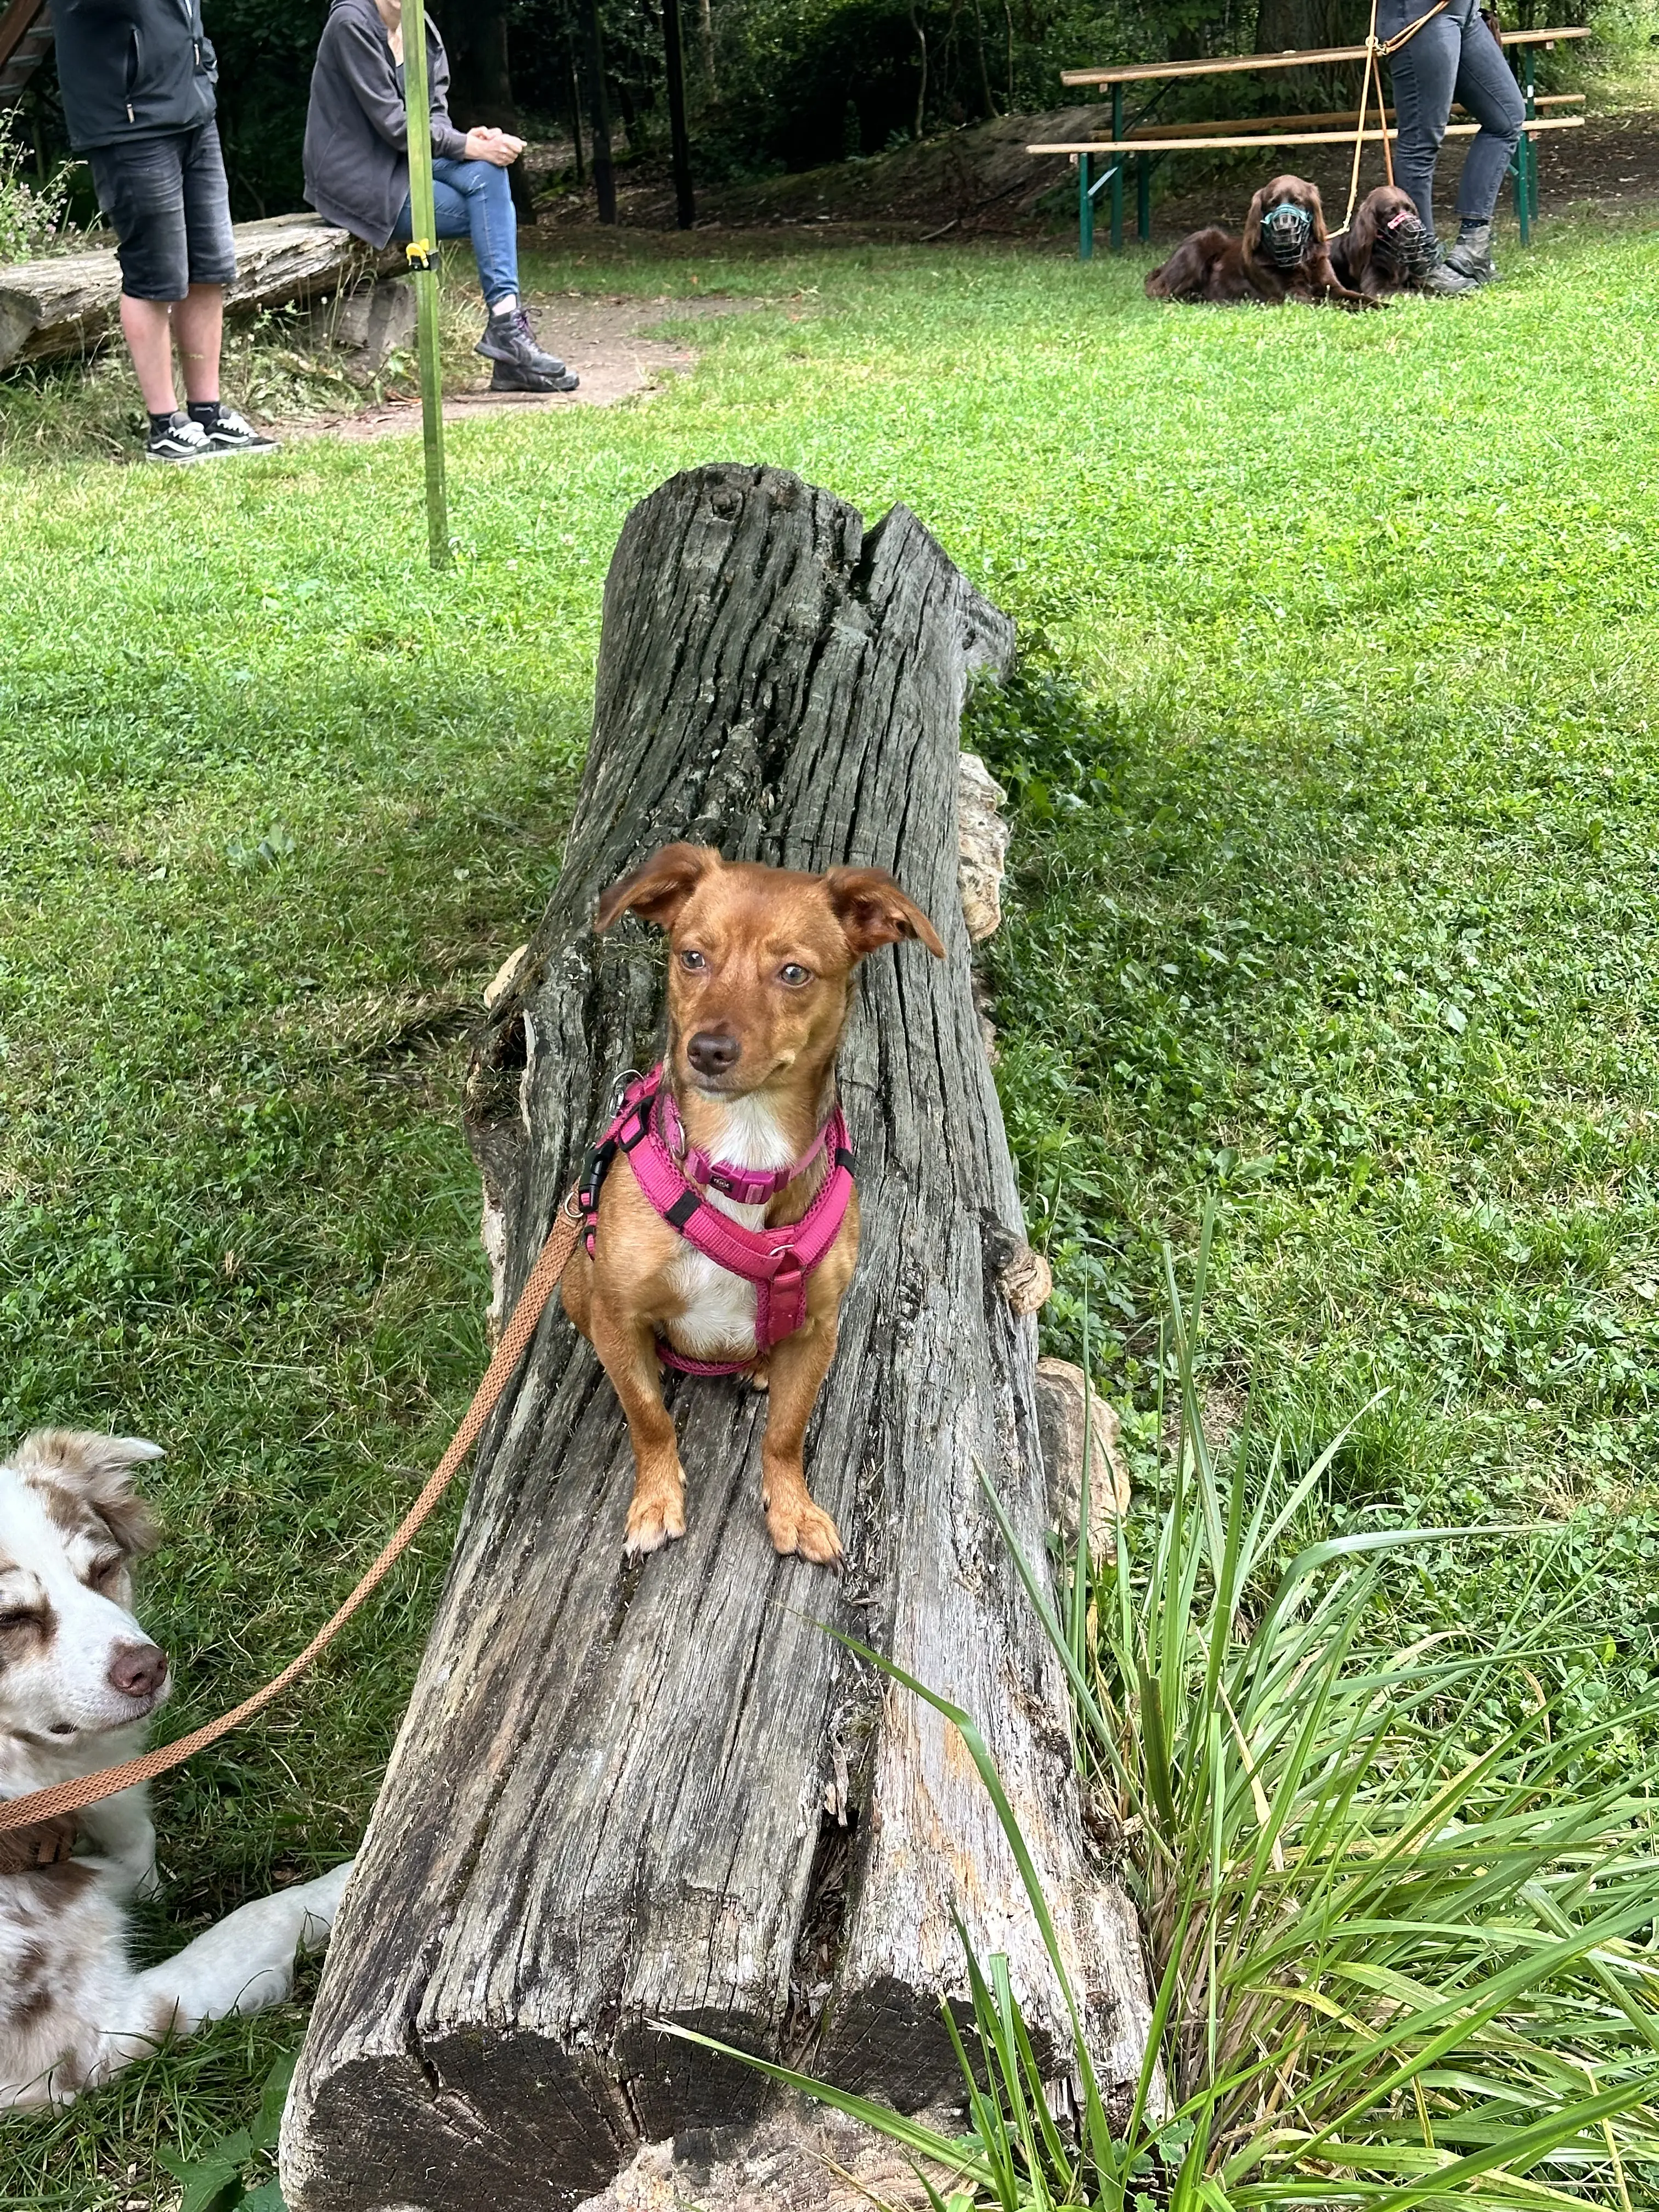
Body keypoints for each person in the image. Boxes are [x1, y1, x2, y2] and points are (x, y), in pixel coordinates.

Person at [303, 0, 576, 393]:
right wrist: (467, 145)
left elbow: (434, 114)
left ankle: (506, 325)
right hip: (357, 179)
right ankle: (510, 351)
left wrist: (468, 142)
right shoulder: (350, 23)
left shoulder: (422, 27)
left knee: (488, 173)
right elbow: (395, 126)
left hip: (407, 161)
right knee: (488, 202)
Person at [52, 0, 278, 461]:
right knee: (154, 274)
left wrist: (205, 72)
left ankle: (207, 411)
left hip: (193, 111)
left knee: (209, 266)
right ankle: (164, 424)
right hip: (130, 122)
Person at [1381, 0, 1526, 293]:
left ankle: (1473, 249)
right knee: (1420, 142)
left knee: (1506, 118)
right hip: (1420, 15)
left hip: (1464, 11)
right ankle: (1420, 263)